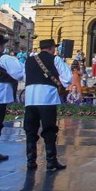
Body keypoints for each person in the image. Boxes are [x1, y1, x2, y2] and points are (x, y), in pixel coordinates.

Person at [23, 38, 72, 170]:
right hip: (47, 97)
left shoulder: (29, 60)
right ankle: (51, 161)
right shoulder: (55, 59)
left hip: (30, 98)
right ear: (51, 48)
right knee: (49, 129)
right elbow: (68, 77)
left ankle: (31, 161)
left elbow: (24, 77)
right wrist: (60, 83)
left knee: (30, 129)